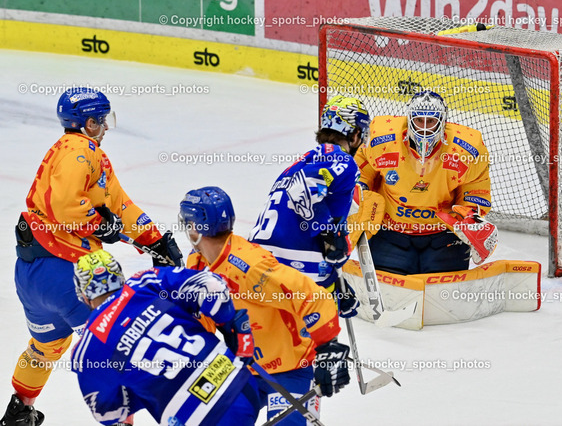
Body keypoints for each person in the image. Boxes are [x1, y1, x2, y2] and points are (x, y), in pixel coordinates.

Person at [2, 87, 182, 426]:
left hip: (32, 275)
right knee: (114, 348)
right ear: (87, 123)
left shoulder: (72, 150)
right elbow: (66, 206)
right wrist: (100, 225)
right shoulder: (80, 151)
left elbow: (119, 205)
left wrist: (154, 239)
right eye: (101, 120)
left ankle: (19, 411)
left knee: (47, 346)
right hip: (66, 272)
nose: (106, 126)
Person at [180, 187, 351, 425]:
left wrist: (328, 348)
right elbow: (200, 319)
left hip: (291, 367)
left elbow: (312, 295)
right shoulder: (198, 263)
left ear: (195, 228)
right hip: (242, 366)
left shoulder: (250, 266)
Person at [71, 249, 258, 425]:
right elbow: (213, 286)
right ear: (119, 277)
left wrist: (142, 387)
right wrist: (228, 325)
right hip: (240, 385)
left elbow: (106, 412)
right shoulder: (144, 282)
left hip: (195, 418)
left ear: (83, 295)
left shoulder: (88, 346)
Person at [352, 89, 497, 275]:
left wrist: (470, 217)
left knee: (444, 295)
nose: (425, 128)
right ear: (409, 119)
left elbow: (476, 189)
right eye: (420, 120)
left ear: (443, 122)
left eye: (432, 121)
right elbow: (361, 169)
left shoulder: (467, 149)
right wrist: (358, 193)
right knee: (390, 292)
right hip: (390, 232)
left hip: (444, 236)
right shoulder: (382, 139)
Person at [248, 95, 370, 315]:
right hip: (293, 265)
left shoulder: (301, 162)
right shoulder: (343, 161)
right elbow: (301, 191)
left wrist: (336, 284)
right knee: (315, 343)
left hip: (258, 261)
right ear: (355, 134)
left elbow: (303, 203)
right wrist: (330, 233)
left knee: (275, 342)